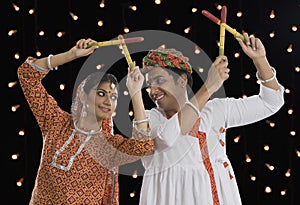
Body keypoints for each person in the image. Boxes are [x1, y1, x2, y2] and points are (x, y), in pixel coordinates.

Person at [137, 32, 285, 205]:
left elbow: (271, 102)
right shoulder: (148, 119)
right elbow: (165, 139)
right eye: (149, 86)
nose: (153, 91)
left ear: (182, 80)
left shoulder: (215, 111)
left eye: (159, 80)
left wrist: (260, 59)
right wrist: (209, 87)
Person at [17, 38, 154, 205]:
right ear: (82, 94)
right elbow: (27, 75)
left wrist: (136, 92)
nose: (108, 102)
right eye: (101, 93)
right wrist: (71, 54)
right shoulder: (56, 122)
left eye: (114, 97)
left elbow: (143, 146)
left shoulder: (108, 146)